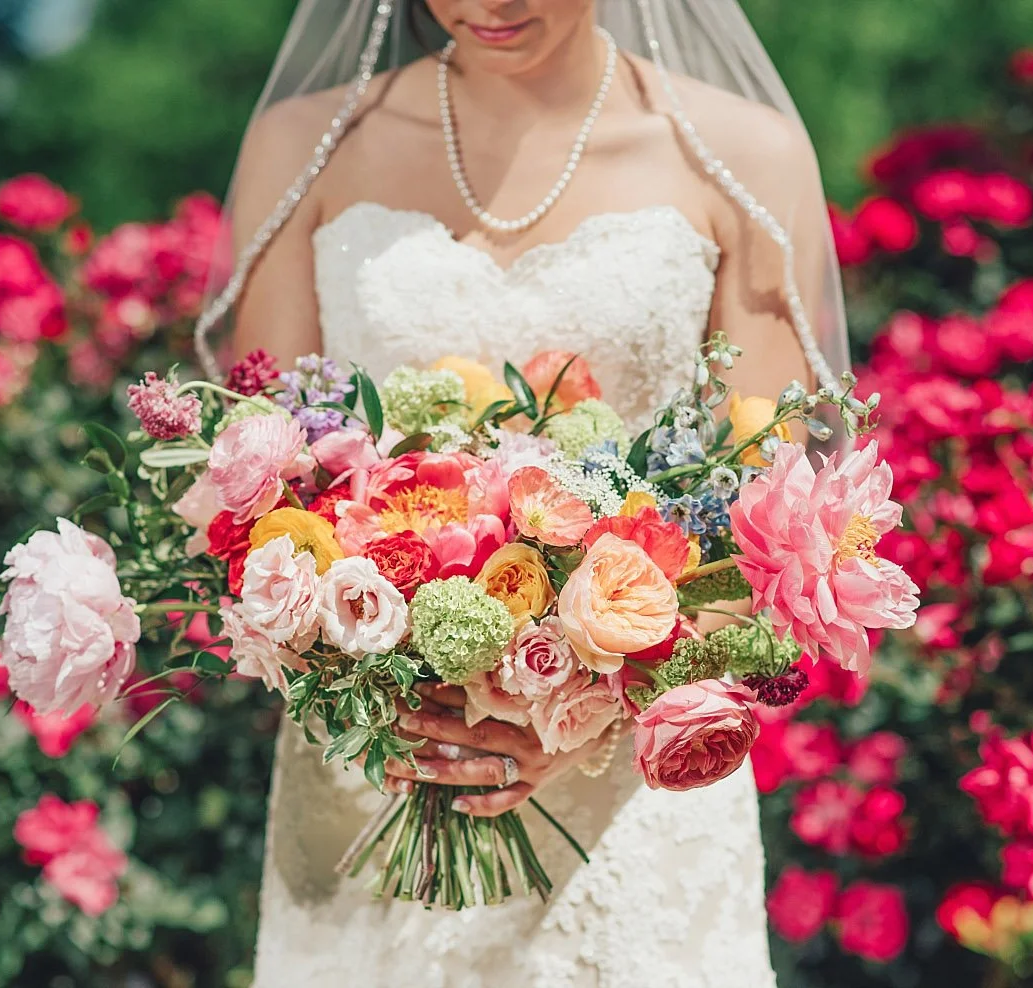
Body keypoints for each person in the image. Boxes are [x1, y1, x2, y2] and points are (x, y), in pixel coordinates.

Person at [194, 2, 852, 984]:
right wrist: (371, 664)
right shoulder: (306, 145)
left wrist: (582, 708)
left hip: (633, 799)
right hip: (379, 762)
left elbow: (772, 516)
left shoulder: (742, 153)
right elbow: (253, 478)